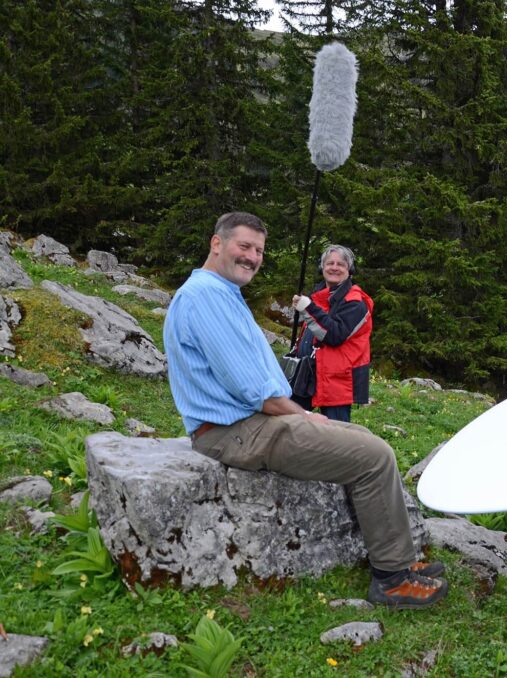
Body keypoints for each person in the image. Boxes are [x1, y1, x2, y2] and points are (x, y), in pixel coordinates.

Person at [164, 212, 448, 609]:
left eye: (258, 250)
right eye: (243, 246)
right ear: (217, 243)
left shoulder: (221, 293)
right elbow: (250, 389)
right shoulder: (205, 297)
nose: (252, 257)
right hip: (235, 430)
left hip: (250, 422)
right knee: (373, 456)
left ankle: (401, 561)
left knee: (364, 439)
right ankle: (391, 579)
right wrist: (302, 415)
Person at [291, 245, 372, 422]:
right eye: (329, 263)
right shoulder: (319, 296)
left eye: (340, 264)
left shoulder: (356, 302)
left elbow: (334, 335)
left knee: (337, 435)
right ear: (323, 267)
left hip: (338, 382)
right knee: (293, 425)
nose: (334, 268)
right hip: (308, 374)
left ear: (349, 270)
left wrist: (308, 308)